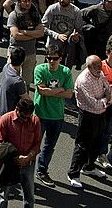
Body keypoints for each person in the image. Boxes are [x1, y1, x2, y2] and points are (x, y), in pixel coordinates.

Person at [65, 55, 112, 187]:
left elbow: (108, 90)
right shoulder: (83, 81)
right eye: (97, 67)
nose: (100, 69)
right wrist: (105, 100)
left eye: (100, 66)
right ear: (89, 67)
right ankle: (73, 174)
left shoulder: (100, 74)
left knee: (98, 142)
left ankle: (89, 167)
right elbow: (93, 104)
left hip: (101, 114)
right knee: (83, 145)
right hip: (87, 116)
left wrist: (106, 99)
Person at [31, 47, 73, 183]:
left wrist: (51, 91)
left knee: (49, 146)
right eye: (49, 58)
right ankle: (27, 172)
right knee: (33, 145)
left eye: (55, 58)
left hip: (57, 116)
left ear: (60, 58)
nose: (51, 61)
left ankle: (42, 171)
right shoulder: (40, 69)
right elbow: (42, 91)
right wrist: (60, 89)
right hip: (40, 114)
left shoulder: (65, 71)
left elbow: (69, 94)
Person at [0, 97, 41, 208]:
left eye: (28, 117)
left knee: (29, 194)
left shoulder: (34, 121)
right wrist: (16, 157)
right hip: (9, 164)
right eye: (23, 116)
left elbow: (37, 143)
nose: (25, 119)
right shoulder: (6, 119)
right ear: (17, 109)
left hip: (28, 163)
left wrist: (29, 157)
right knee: (3, 194)